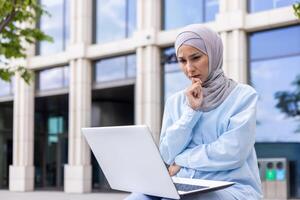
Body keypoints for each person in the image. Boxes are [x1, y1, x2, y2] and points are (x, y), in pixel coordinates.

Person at [125, 24, 262, 200]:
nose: (189, 68)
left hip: (233, 188)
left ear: (213, 54)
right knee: (137, 198)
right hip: (183, 183)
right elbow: (167, 154)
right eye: (182, 61)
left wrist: (181, 159)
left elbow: (232, 152)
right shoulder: (175, 102)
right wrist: (190, 112)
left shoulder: (243, 96)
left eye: (195, 58)